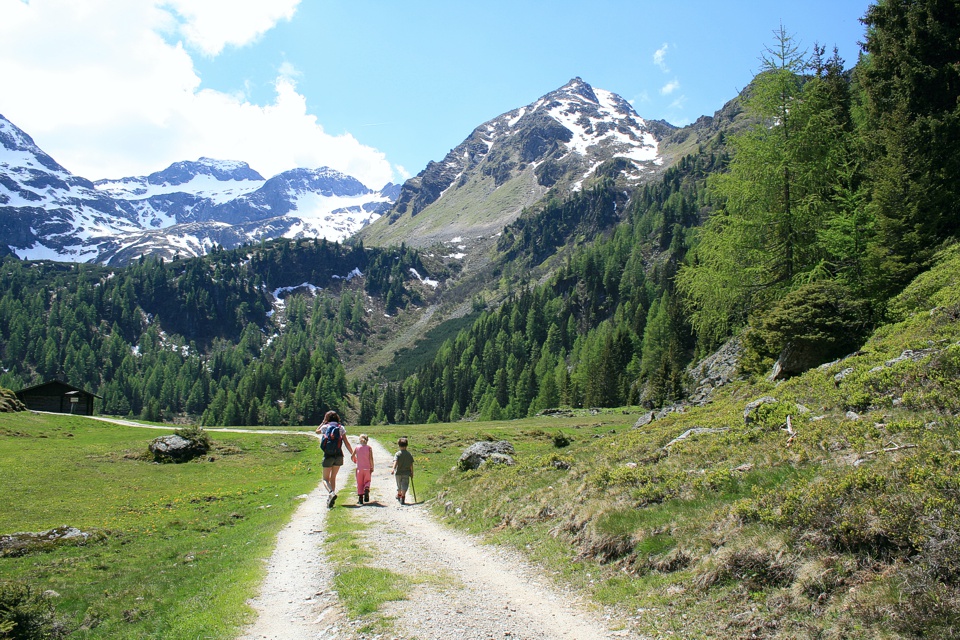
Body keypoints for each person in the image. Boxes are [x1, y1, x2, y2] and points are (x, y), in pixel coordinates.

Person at [316, 410, 355, 508]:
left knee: (325, 479)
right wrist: (353, 454)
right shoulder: (341, 428)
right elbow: (346, 442)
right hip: (338, 455)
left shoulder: (325, 427)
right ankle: (331, 498)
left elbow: (316, 431)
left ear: (327, 418)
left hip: (328, 455)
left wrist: (323, 422)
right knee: (333, 477)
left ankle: (331, 493)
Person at [391, 436, 414, 505]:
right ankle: (403, 496)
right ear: (407, 445)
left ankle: (399, 494)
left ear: (399, 445)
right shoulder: (409, 454)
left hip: (398, 472)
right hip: (406, 473)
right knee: (405, 484)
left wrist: (393, 469)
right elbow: (411, 464)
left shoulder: (398, 454)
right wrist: (412, 472)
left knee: (399, 484)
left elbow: (396, 461)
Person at [354, 434, 374, 505]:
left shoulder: (357, 448)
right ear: (367, 440)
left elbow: (352, 456)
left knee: (359, 483)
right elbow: (371, 458)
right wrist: (372, 467)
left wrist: (355, 460)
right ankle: (366, 488)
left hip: (359, 469)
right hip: (367, 468)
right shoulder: (369, 448)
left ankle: (360, 499)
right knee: (367, 481)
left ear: (360, 440)